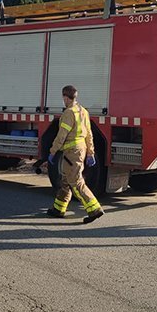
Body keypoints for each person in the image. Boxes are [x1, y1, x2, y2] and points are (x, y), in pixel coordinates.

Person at [47, 85, 104, 224]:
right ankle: (58, 209)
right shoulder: (84, 111)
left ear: (66, 97)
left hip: (72, 152)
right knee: (65, 180)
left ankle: (94, 209)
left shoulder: (68, 113)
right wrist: (90, 152)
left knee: (76, 181)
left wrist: (52, 151)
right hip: (80, 150)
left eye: (63, 98)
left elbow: (61, 135)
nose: (63, 100)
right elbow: (89, 134)